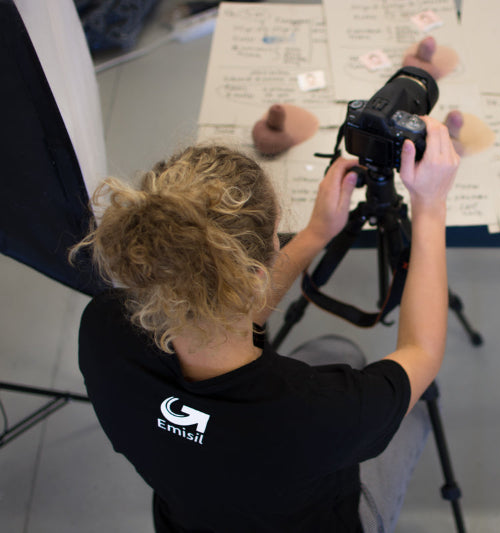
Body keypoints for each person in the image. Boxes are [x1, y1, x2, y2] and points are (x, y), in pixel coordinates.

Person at [73, 115, 460, 533]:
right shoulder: (314, 412)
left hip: (190, 517)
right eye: (279, 235)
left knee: (337, 351)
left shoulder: (102, 329)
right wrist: (430, 207)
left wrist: (315, 233)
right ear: (254, 278)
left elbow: (214, 302)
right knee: (415, 413)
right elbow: (422, 351)